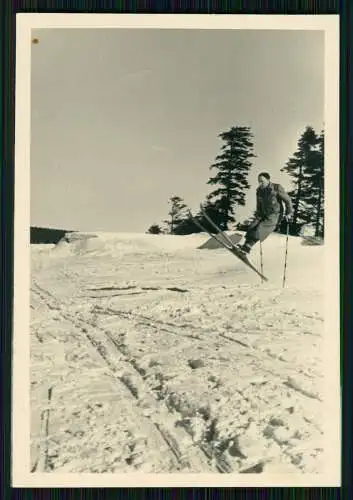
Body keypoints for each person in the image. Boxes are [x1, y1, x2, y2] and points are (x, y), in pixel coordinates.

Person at [236, 172, 293, 255]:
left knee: (260, 228)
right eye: (259, 181)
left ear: (268, 180)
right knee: (253, 226)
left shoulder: (276, 187)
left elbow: (288, 200)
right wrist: (257, 216)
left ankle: (248, 247)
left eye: (262, 181)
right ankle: (245, 247)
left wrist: (289, 213)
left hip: (275, 215)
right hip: (263, 214)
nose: (260, 183)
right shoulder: (259, 191)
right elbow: (258, 205)